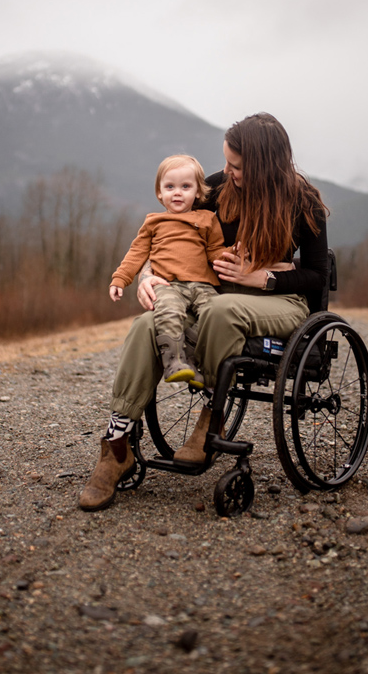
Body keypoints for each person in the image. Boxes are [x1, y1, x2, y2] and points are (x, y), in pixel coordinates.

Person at [79, 112, 329, 512]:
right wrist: (146, 276)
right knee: (147, 324)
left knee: (224, 309)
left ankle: (211, 418)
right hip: (212, 297)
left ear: (265, 166)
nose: (226, 172)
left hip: (279, 304)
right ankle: (117, 444)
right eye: (226, 162)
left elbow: (318, 274)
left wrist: (263, 277)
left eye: (237, 166)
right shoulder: (218, 188)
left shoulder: (304, 201)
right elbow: (169, 233)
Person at [109, 154, 229, 390]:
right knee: (169, 313)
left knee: (214, 316)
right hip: (168, 285)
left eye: (185, 187)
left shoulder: (207, 219)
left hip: (203, 285)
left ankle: (193, 360)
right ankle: (173, 361)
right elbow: (136, 253)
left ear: (198, 193)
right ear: (159, 193)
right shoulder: (154, 222)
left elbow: (215, 250)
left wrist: (231, 256)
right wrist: (120, 279)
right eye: (170, 187)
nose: (177, 192)